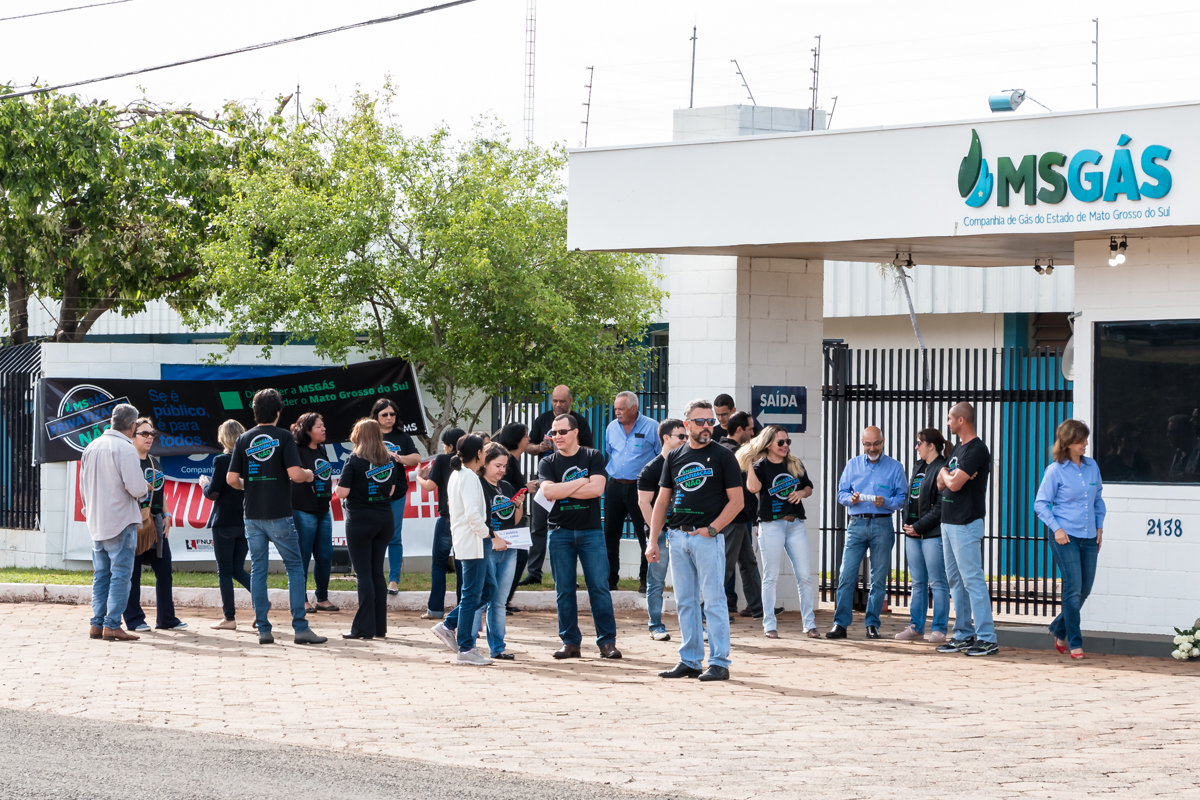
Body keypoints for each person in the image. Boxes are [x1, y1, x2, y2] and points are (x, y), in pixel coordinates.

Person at [648, 399, 744, 682]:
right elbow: (662, 500)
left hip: (706, 537)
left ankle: (719, 662)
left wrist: (713, 529)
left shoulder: (724, 456)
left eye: (711, 421)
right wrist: (653, 540)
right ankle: (689, 660)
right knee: (686, 602)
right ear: (687, 424)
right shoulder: (675, 456)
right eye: (700, 421)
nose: (707, 427)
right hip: (677, 537)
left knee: (713, 600)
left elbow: (737, 501)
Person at [227, 388, 327, 645]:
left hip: (252, 514)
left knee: (259, 569)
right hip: (280, 514)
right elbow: (295, 474)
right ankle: (300, 628)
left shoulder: (243, 439)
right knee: (295, 568)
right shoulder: (283, 436)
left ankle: (263, 629)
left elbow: (231, 479)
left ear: (255, 411)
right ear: (279, 412)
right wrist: (308, 474)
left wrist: (248, 485)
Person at [538, 413, 620, 659]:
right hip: (559, 533)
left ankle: (607, 643)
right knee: (564, 590)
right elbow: (549, 493)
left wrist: (564, 490)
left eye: (562, 432)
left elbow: (597, 489)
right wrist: (581, 481)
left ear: (575, 432)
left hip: (591, 532)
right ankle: (570, 642)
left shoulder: (593, 456)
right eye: (553, 433)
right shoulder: (547, 462)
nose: (557, 437)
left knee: (599, 587)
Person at [826, 425, 906, 640]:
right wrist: (849, 499)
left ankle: (872, 623)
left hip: (882, 524)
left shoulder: (895, 467)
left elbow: (902, 498)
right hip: (857, 523)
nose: (872, 448)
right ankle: (840, 624)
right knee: (846, 575)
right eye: (868, 444)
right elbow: (840, 492)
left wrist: (886, 502)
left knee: (878, 578)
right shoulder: (852, 465)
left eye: (876, 443)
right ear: (862, 444)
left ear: (883, 441)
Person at [79, 403, 150, 642]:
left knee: (101, 575)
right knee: (120, 574)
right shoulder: (125, 448)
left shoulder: (91, 446)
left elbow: (83, 488)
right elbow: (136, 487)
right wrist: (145, 488)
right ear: (132, 426)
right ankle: (112, 625)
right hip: (120, 520)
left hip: (97, 521)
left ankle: (96, 625)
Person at [1035, 420, 1105, 660]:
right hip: (1065, 536)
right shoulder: (1055, 470)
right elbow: (1041, 504)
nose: (1086, 444)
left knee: (1085, 589)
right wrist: (1057, 528)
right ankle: (1075, 642)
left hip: (1089, 536)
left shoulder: (1092, 466)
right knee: (1072, 588)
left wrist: (1099, 527)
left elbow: (1098, 500)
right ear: (1068, 443)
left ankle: (1058, 628)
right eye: (1081, 440)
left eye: (1086, 439)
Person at [741, 425, 818, 639]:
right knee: (771, 576)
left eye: (787, 442)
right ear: (768, 444)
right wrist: (748, 460)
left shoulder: (794, 463)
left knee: (804, 576)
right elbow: (753, 489)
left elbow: (809, 487)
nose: (785, 446)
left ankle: (809, 624)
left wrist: (802, 492)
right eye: (780, 442)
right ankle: (769, 625)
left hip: (795, 524)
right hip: (771, 524)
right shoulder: (761, 466)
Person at [936, 402, 998, 657]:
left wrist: (945, 471)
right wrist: (947, 472)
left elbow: (955, 483)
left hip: (965, 523)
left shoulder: (977, 449)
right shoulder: (958, 449)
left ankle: (987, 637)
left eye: (950, 418)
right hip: (948, 522)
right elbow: (942, 485)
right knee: (955, 581)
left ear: (962, 420)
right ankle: (962, 633)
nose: (948, 423)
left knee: (972, 580)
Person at [430, 435, 498, 666]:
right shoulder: (467, 476)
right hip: (474, 542)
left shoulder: (459, 474)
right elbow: (471, 513)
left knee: (487, 590)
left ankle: (449, 624)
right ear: (479, 454)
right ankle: (466, 647)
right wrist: (486, 533)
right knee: (472, 595)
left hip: (472, 542)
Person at [519, 385, 593, 586]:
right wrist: (539, 447)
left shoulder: (580, 421)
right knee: (538, 526)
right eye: (554, 400)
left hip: (570, 479)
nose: (557, 404)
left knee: (569, 529)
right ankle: (534, 572)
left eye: (562, 401)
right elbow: (528, 446)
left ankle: (569, 576)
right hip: (546, 478)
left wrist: (568, 444)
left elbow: (588, 448)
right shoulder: (542, 420)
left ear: (570, 400)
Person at [335, 418, 399, 640]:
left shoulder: (354, 460)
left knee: (363, 575)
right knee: (376, 573)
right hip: (384, 520)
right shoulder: (389, 460)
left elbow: (342, 493)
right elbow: (391, 490)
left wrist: (339, 486)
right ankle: (379, 627)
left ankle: (363, 629)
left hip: (360, 521)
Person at [122, 418, 185, 633]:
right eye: (144, 434)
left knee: (165, 570)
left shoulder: (153, 461)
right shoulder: (127, 460)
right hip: (135, 522)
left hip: (156, 521)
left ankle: (167, 618)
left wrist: (167, 513)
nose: (150, 438)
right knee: (134, 573)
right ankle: (133, 619)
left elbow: (161, 491)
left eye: (152, 434)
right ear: (132, 435)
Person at [895, 428, 950, 643]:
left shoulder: (942, 468)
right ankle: (916, 627)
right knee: (917, 582)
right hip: (913, 534)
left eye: (920, 443)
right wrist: (907, 522)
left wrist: (920, 526)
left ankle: (939, 628)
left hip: (931, 534)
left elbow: (939, 508)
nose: (916, 447)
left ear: (931, 446)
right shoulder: (918, 466)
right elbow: (910, 497)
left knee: (937, 582)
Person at [603, 391, 659, 592]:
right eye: (615, 408)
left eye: (621, 409)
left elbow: (660, 458)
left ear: (634, 408)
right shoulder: (611, 427)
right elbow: (610, 451)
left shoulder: (652, 427)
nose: (617, 412)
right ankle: (610, 579)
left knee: (645, 534)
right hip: (615, 485)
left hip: (641, 488)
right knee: (610, 534)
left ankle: (646, 579)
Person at [637, 418, 686, 641]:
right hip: (664, 534)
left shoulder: (686, 463)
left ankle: (693, 625)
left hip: (684, 531)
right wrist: (655, 534)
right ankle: (655, 625)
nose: (685, 440)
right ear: (666, 438)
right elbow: (643, 502)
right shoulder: (651, 468)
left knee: (688, 581)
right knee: (656, 581)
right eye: (681, 436)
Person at [200, 419, 250, 630]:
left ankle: (229, 618)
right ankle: (261, 601)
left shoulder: (222, 461)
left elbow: (214, 493)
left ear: (223, 438)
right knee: (237, 569)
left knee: (225, 571)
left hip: (225, 522)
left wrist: (204, 485)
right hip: (245, 521)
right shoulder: (250, 460)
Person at [371, 399, 421, 596]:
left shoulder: (403, 437)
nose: (389, 418)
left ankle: (393, 580)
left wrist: (398, 458)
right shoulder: (369, 435)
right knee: (372, 536)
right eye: (385, 414)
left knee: (394, 536)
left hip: (397, 493)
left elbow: (416, 458)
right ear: (376, 416)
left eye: (392, 414)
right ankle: (372, 576)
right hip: (372, 493)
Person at [478, 442, 523, 659]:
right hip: (487, 547)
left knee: (499, 601)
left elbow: (514, 521)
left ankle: (498, 648)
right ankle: (467, 645)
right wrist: (493, 537)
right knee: (479, 598)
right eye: (497, 465)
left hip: (509, 548)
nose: (501, 470)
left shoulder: (506, 487)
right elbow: (477, 519)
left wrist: (519, 505)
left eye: (504, 466)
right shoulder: (477, 485)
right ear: (484, 463)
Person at [415, 427, 466, 619]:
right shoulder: (468, 461)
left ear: (450, 445)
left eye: (444, 445)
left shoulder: (443, 460)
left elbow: (429, 487)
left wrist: (420, 475)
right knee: (462, 565)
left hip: (446, 519)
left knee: (438, 565)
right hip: (464, 521)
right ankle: (463, 609)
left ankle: (435, 609)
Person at [718, 411, 764, 620]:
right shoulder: (730, 453)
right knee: (726, 565)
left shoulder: (735, 451)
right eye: (750, 429)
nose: (753, 433)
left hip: (741, 516)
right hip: (733, 517)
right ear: (739, 430)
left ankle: (757, 607)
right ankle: (709, 608)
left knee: (748, 562)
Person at [291, 413, 339, 613]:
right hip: (303, 510)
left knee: (325, 555)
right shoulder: (296, 450)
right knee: (302, 555)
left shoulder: (321, 448)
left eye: (323, 425)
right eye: (319, 426)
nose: (324, 429)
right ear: (307, 430)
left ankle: (322, 597)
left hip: (323, 509)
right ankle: (300, 600)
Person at [495, 422, 538, 613]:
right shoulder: (508, 461)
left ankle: (504, 599)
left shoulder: (514, 460)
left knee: (519, 556)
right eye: (526, 435)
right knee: (518, 556)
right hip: (507, 520)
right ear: (517, 439)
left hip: (515, 516)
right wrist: (525, 489)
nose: (529, 439)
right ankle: (501, 600)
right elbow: (504, 491)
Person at [1166, 414, 1200, 482]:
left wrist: (1193, 478)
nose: (1168, 435)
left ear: (1186, 432)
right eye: (1168, 432)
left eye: (1172, 432)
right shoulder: (1177, 453)